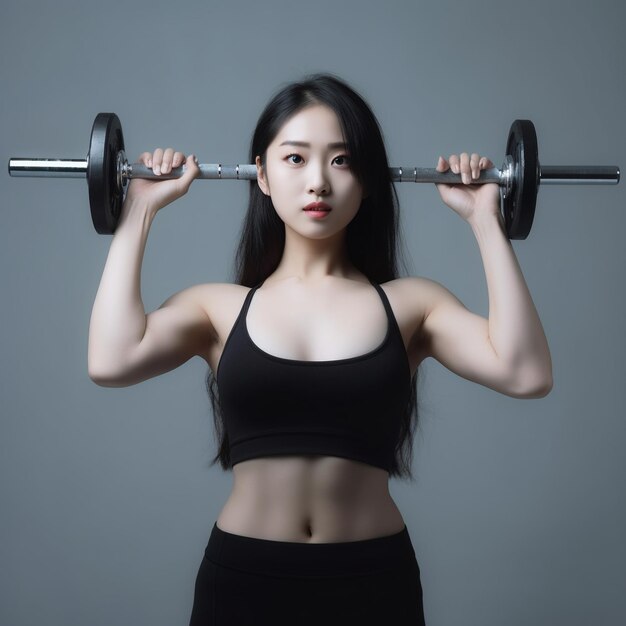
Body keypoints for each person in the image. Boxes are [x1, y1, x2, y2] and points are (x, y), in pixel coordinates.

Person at [87, 73, 552, 626]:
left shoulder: (412, 306)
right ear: (260, 174)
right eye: (294, 159)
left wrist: (486, 223)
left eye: (341, 160)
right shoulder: (217, 309)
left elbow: (526, 373)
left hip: (373, 583)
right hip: (244, 581)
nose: (318, 184)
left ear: (370, 178)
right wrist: (138, 210)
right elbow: (110, 361)